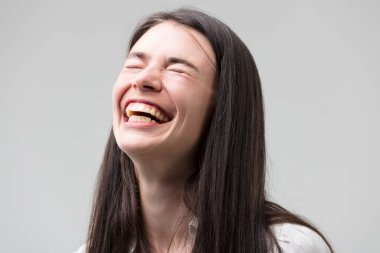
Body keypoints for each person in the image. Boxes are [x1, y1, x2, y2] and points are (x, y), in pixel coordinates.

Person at [74, 8, 334, 253]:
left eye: (177, 68)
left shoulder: (287, 248)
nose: (142, 80)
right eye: (134, 65)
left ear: (223, 107)